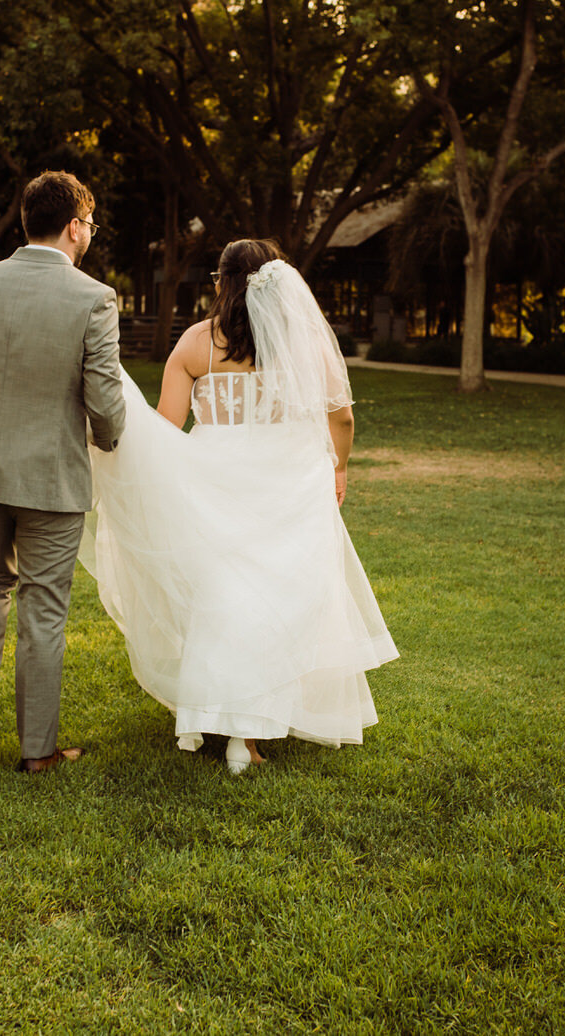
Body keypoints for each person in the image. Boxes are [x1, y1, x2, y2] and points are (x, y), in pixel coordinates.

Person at [80, 239, 397, 774]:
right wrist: (338, 467)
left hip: (214, 483)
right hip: (288, 484)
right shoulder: (304, 343)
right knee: (282, 600)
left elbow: (165, 427)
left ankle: (227, 727)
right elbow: (340, 419)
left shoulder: (196, 344)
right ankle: (244, 737)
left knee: (223, 598)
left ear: (219, 282)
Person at [0, 170, 126, 773]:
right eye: (90, 225)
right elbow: (104, 401)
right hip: (50, 474)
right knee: (44, 605)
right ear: (75, 226)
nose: (90, 236)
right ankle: (38, 752)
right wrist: (111, 440)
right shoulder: (93, 297)